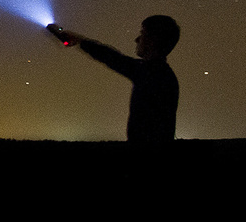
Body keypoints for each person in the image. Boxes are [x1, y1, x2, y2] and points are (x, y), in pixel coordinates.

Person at [48, 16, 180, 143]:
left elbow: (113, 58)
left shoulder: (153, 73)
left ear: (152, 40)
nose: (137, 39)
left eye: (143, 34)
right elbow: (115, 59)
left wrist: (79, 41)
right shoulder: (163, 74)